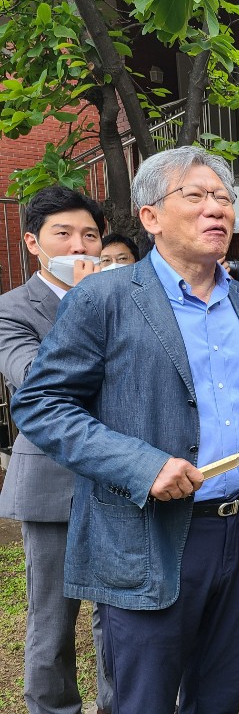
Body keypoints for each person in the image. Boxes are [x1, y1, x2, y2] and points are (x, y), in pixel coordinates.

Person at [11, 146, 239, 714]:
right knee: (143, 698)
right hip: (148, 537)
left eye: (224, 198)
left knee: (219, 691)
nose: (216, 209)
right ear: (150, 216)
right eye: (195, 196)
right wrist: (142, 466)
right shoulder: (105, 298)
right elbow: (41, 404)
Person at [0, 185, 113, 714]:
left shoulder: (121, 296)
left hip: (121, 478)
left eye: (89, 234)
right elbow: (34, 383)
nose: (79, 246)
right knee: (52, 622)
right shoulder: (11, 309)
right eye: (62, 234)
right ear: (33, 243)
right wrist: (86, 308)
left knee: (119, 614)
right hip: (51, 482)